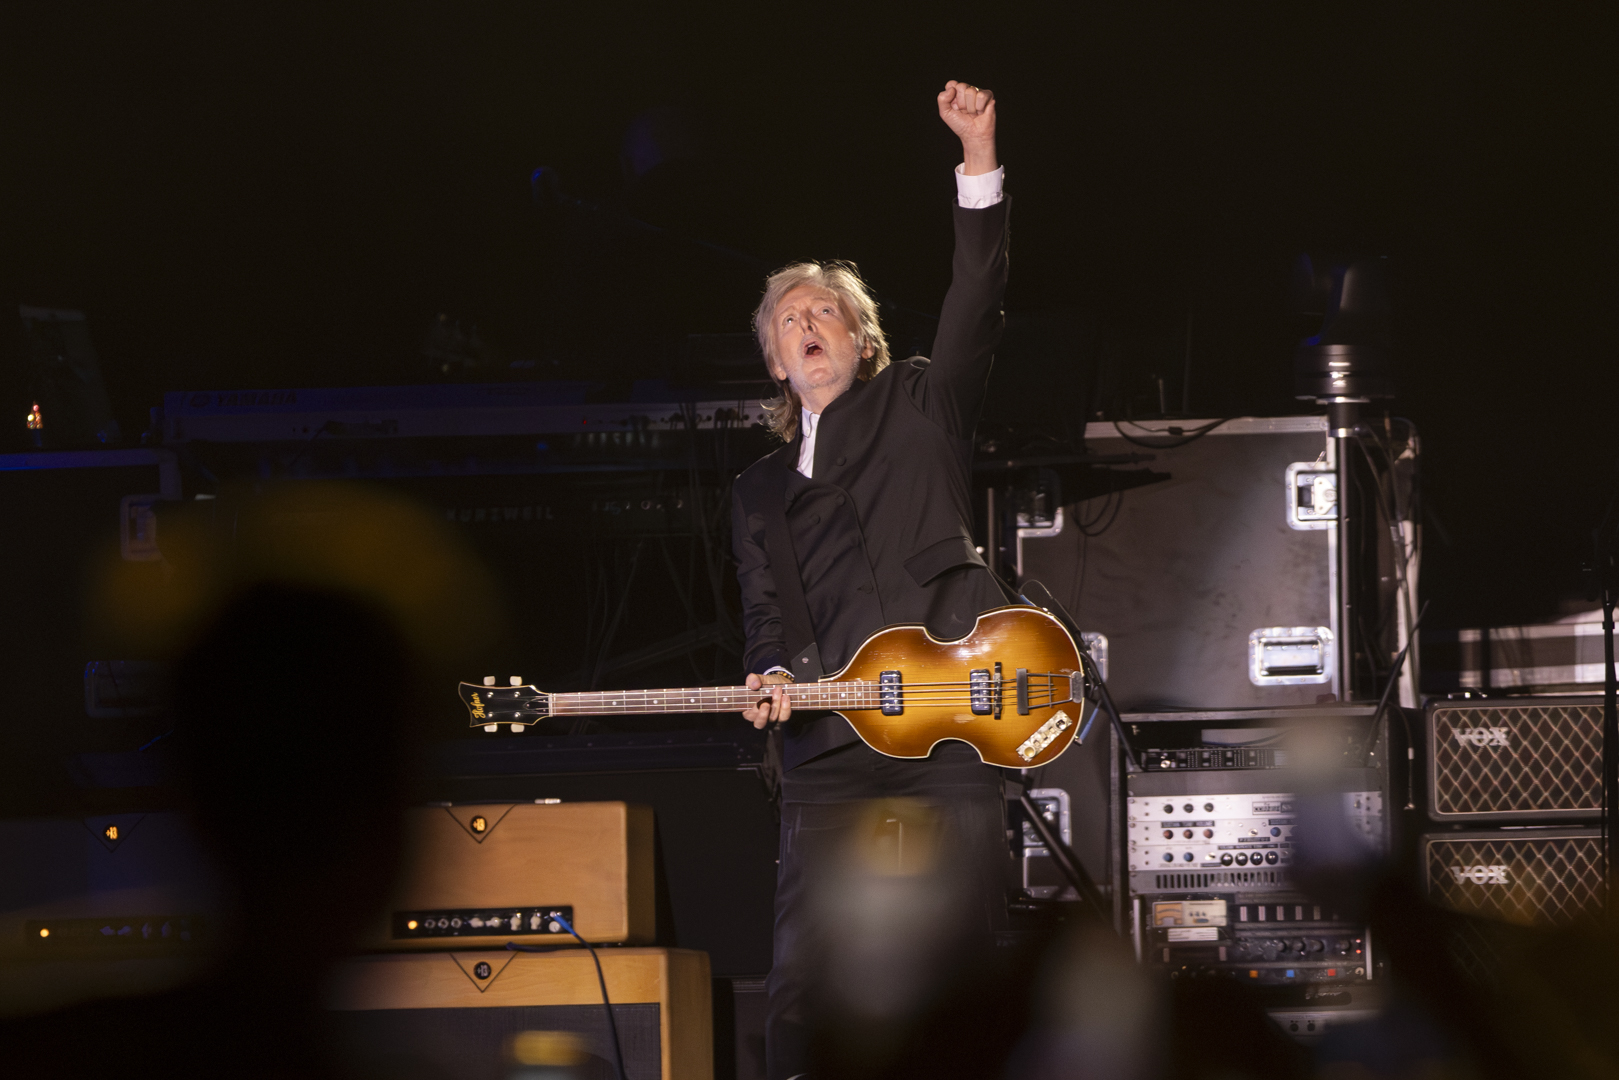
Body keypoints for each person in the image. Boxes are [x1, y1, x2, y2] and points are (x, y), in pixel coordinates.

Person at [729, 80, 1013, 1080]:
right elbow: (765, 617)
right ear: (774, 360)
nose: (807, 324)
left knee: (964, 950)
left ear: (858, 338)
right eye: (789, 319)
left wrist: (976, 156)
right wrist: (767, 673)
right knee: (806, 972)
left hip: (945, 719)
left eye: (825, 313)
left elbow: (975, 298)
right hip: (829, 738)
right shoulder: (757, 492)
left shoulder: (919, 409)